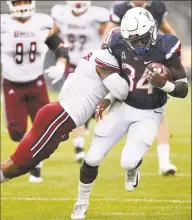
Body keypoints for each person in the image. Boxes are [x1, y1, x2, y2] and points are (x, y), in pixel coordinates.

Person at [71, 7, 188, 220]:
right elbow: (118, 80)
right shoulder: (117, 41)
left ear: (152, 31)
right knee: (93, 156)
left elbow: (183, 90)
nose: (138, 46)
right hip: (122, 105)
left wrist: (165, 85)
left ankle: (133, 169)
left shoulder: (167, 45)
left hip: (150, 112)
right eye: (133, 41)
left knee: (128, 161)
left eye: (142, 40)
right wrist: (107, 99)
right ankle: (81, 201)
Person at [0, 49, 129, 184]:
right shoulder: (107, 60)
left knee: (20, 165)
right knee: (17, 165)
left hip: (59, 117)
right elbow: (123, 92)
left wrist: (108, 99)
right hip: (59, 117)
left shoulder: (99, 55)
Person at [103, 0, 177, 176]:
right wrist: (105, 53)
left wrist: (174, 48)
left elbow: (166, 29)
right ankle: (132, 158)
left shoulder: (157, 7)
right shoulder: (121, 9)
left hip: (153, 61)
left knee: (158, 111)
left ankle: (164, 162)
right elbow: (109, 33)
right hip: (129, 62)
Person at [1, 0, 69, 183]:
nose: (22, 5)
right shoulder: (4, 24)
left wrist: (60, 66)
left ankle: (35, 165)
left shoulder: (42, 22)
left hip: (36, 82)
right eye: (18, 1)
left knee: (45, 127)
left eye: (25, 1)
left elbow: (60, 46)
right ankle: (29, 155)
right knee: (16, 132)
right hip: (12, 84)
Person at [50, 1, 110, 163]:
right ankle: (78, 146)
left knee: (91, 105)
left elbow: (108, 34)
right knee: (75, 104)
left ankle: (85, 124)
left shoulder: (98, 15)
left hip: (93, 65)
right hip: (72, 63)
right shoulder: (60, 14)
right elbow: (50, 34)